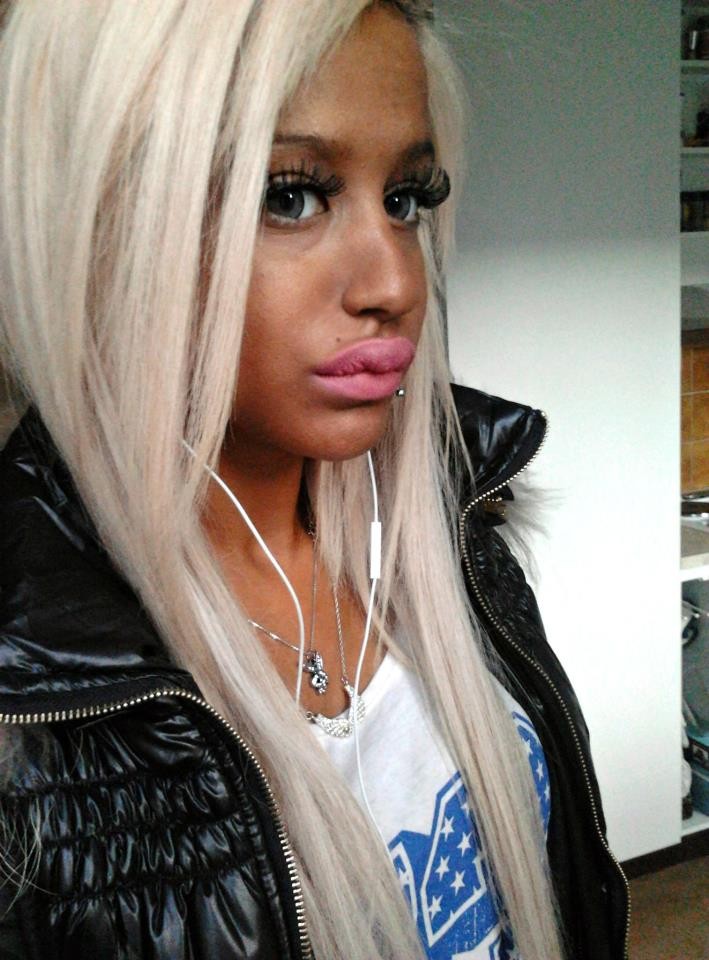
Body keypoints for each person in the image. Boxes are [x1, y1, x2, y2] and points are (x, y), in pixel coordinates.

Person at [0, 1, 629, 958]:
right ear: (93, 220)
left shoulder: (457, 523)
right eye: (288, 196)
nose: (394, 284)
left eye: (406, 198)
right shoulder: (28, 704)